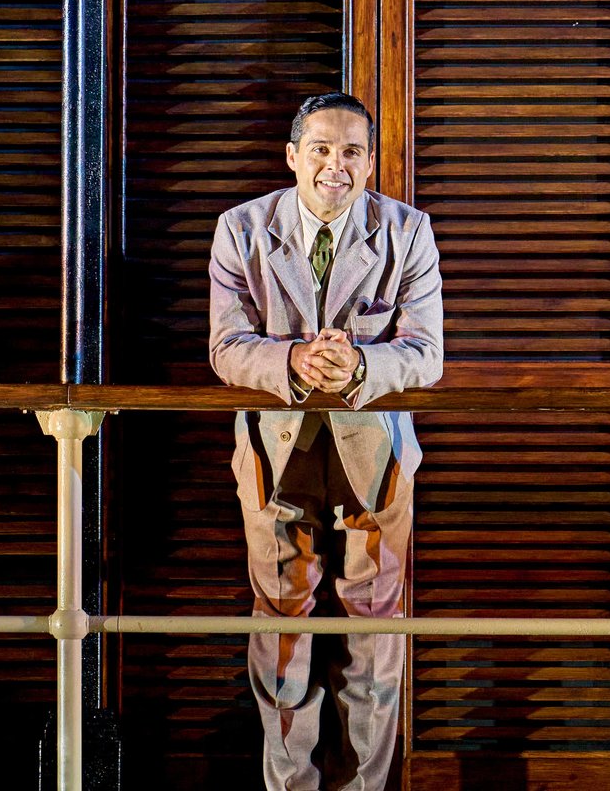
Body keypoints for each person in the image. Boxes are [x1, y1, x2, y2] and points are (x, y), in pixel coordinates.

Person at [208, 91, 444, 790]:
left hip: (376, 460)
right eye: (320, 149)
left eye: (351, 152)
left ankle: (365, 787)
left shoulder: (409, 230)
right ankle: (289, 785)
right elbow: (226, 346)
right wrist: (292, 362)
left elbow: (426, 353)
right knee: (279, 622)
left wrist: (364, 365)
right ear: (292, 156)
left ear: (370, 162)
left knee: (377, 630)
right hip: (273, 456)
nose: (334, 166)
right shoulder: (240, 228)